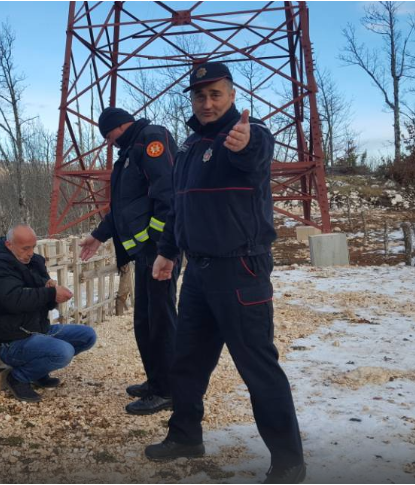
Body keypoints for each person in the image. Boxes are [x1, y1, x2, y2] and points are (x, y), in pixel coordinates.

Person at [145, 62, 307, 484]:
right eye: (200, 95)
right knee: (187, 362)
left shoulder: (249, 134)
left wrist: (246, 143)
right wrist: (167, 252)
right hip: (197, 272)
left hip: (240, 269)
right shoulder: (189, 147)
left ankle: (289, 461)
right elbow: (179, 207)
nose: (207, 102)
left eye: (216, 94)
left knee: (258, 367)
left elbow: (257, 151)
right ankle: (185, 437)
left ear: (232, 96)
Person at [78, 107, 179, 415]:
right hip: (145, 254)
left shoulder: (151, 140)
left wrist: (160, 245)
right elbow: (124, 207)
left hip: (158, 252)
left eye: (109, 135)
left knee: (160, 321)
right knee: (145, 321)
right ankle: (156, 381)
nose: (109, 142)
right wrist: (99, 235)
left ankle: (168, 390)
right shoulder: (129, 153)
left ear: (122, 125)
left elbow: (168, 196)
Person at [0, 225, 97, 403]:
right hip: (13, 340)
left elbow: (45, 301)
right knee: (64, 352)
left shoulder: (34, 262)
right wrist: (49, 293)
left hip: (39, 329)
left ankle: (38, 372)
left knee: (87, 336)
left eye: (33, 247)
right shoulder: (0, 266)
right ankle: (18, 377)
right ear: (9, 245)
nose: (30, 253)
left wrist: (52, 292)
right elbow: (14, 300)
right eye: (25, 248)